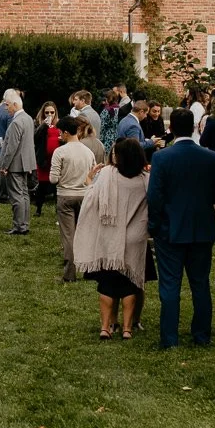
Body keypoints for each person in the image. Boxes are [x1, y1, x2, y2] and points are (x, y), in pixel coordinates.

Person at [146, 109, 215, 348]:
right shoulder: (211, 157)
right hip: (202, 227)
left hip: (170, 228)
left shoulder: (162, 158)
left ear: (171, 129)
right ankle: (202, 335)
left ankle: (170, 338)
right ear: (193, 127)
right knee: (200, 284)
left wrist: (154, 225)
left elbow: (155, 196)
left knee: (170, 284)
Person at [73, 138, 150, 340]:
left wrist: (89, 182)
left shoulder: (107, 174)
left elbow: (92, 200)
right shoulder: (145, 179)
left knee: (107, 284)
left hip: (110, 236)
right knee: (130, 284)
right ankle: (127, 328)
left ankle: (106, 327)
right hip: (135, 237)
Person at [49, 116, 96, 282]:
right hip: (84, 195)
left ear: (67, 132)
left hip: (66, 196)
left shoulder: (60, 152)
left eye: (61, 132)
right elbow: (93, 175)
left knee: (69, 236)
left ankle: (70, 274)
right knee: (85, 233)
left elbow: (53, 179)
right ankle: (89, 270)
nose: (59, 135)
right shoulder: (88, 152)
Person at [0, 90, 36, 235]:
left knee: (16, 196)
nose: (6, 108)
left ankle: (19, 226)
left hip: (15, 164)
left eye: (7, 105)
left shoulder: (16, 122)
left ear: (15, 105)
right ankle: (24, 224)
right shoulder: (28, 118)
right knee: (24, 194)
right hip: (26, 162)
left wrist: (4, 165)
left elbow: (11, 147)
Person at [32, 101, 61, 218]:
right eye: (47, 112)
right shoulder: (38, 123)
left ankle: (58, 209)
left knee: (57, 185)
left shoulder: (59, 124)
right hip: (44, 158)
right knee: (42, 184)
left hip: (56, 159)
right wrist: (43, 125)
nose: (49, 114)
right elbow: (35, 137)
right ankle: (38, 208)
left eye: (52, 112)